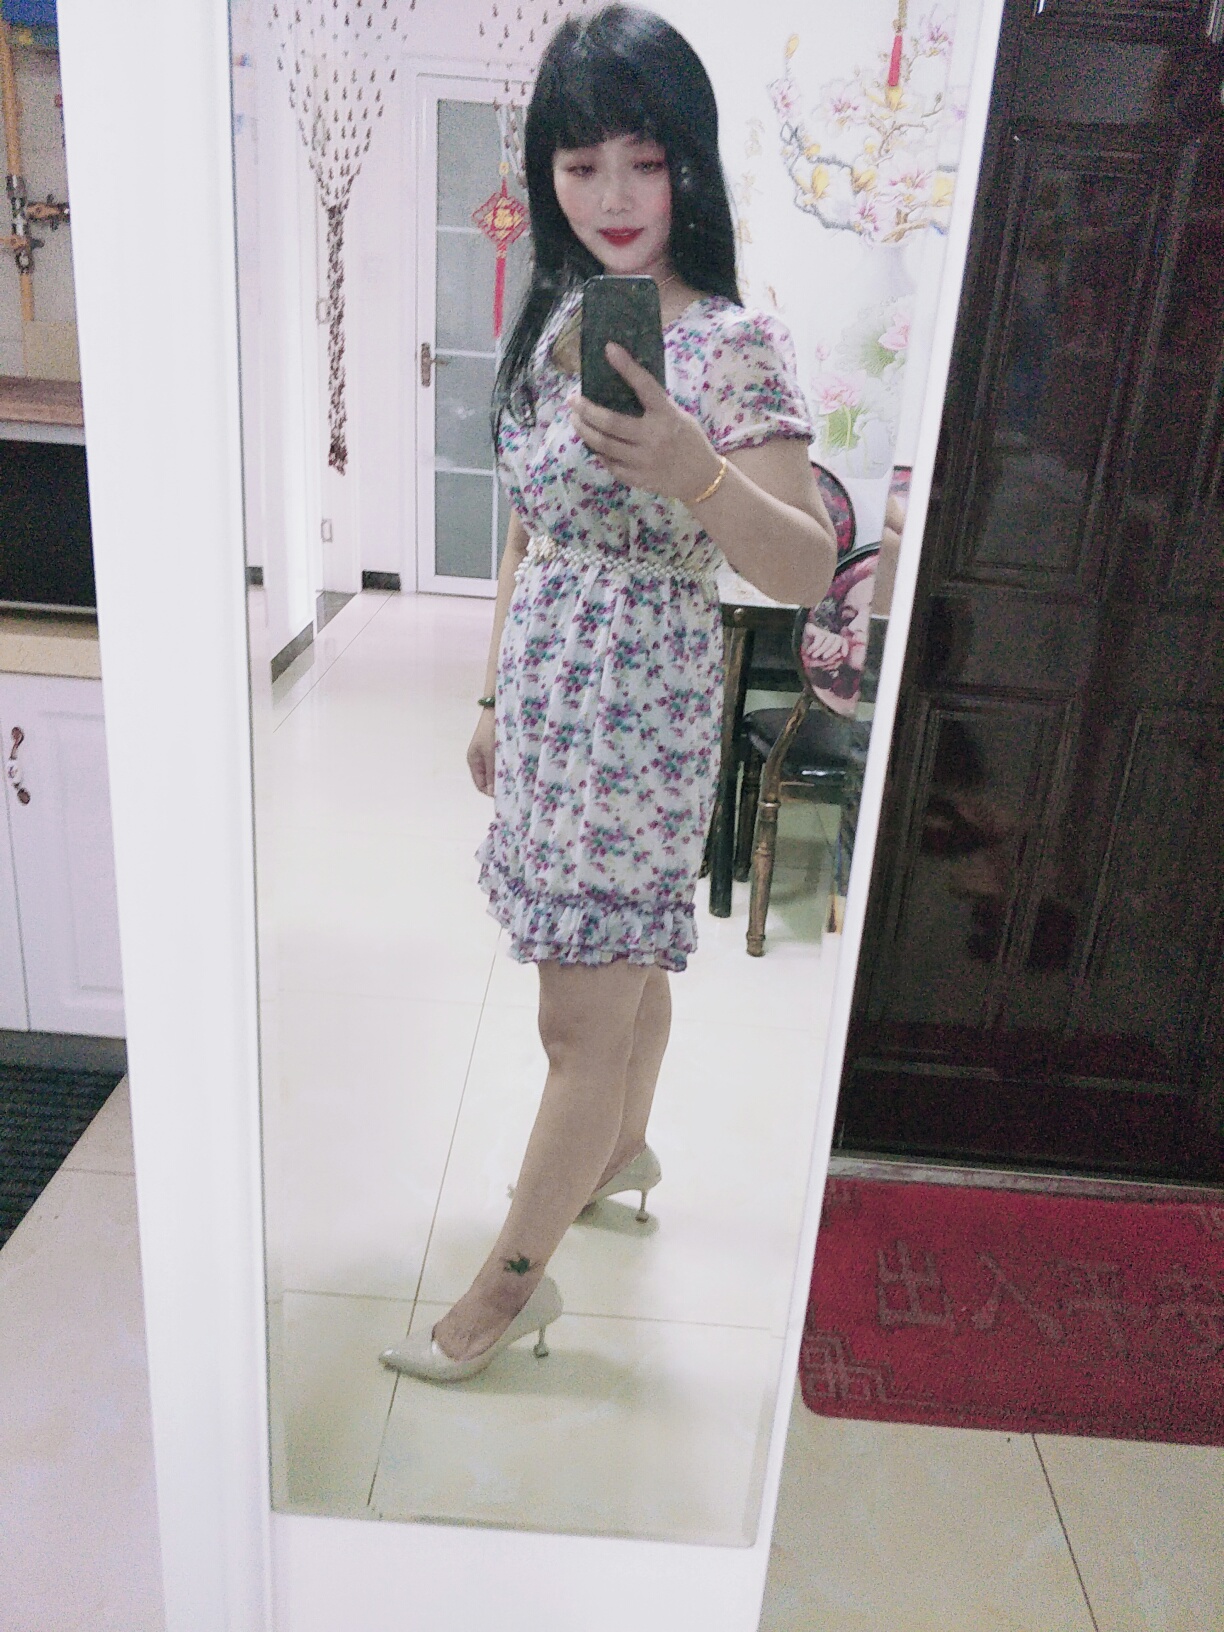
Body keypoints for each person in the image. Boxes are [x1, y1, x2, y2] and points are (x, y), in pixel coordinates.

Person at [380, 4, 835, 1383]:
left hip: (641, 711)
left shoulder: (733, 345)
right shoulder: (567, 316)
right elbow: (529, 525)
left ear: (691, 163)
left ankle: (509, 1290)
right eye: (582, 166)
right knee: (613, 982)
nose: (616, 196)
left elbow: (805, 565)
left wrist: (698, 468)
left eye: (647, 160)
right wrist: (489, 699)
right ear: (549, 174)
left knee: (577, 1018)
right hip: (548, 700)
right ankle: (623, 1150)